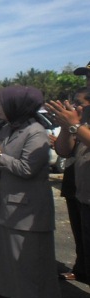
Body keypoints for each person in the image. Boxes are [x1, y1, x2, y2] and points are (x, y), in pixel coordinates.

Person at [0, 86, 63, 298]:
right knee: (13, 260)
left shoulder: (36, 131)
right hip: (7, 205)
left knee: (31, 262)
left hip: (27, 208)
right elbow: (0, 158)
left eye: (3, 104)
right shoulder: (8, 129)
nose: (0, 108)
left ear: (17, 106)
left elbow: (27, 169)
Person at [47, 86, 90, 286]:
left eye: (79, 103)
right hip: (83, 195)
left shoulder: (80, 126)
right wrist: (67, 127)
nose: (75, 107)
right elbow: (63, 151)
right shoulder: (82, 124)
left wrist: (74, 126)